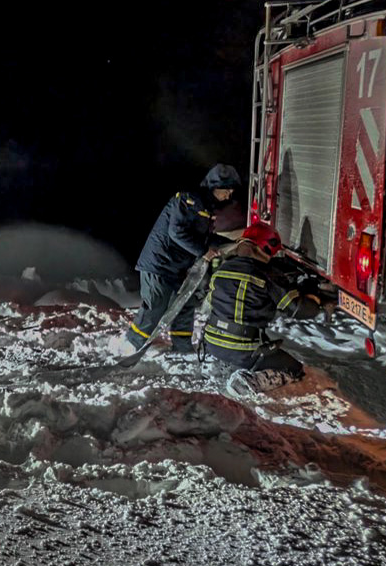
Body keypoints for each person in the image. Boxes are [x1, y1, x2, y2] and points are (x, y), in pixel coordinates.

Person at [123, 162, 243, 355]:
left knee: (185, 304)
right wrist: (203, 251)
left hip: (177, 268)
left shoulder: (205, 207)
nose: (229, 194)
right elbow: (177, 232)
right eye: (227, 189)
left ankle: (182, 346)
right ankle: (131, 346)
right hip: (160, 264)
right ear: (215, 186)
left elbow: (204, 238)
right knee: (155, 307)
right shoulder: (188, 200)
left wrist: (234, 242)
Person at [200, 222, 329, 396]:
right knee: (294, 368)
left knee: (236, 344)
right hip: (242, 348)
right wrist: (313, 294)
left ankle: (216, 364)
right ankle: (249, 382)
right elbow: (299, 310)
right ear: (267, 248)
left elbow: (212, 301)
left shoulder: (222, 269)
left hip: (211, 342)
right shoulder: (267, 274)